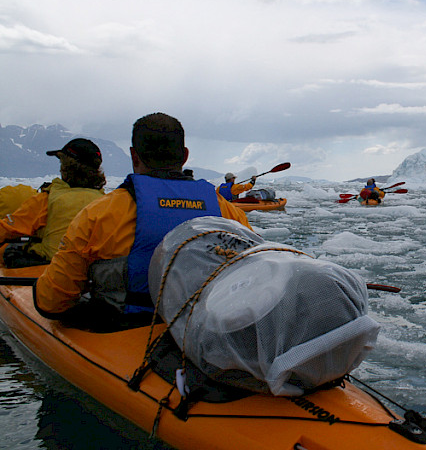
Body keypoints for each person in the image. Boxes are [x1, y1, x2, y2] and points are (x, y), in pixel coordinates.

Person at [34, 113, 252, 325]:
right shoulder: (229, 212)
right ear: (185, 156)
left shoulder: (98, 214)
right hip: (205, 328)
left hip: (124, 327)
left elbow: (51, 302)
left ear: (134, 156)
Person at [1, 138, 106, 268]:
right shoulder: (106, 202)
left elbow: (8, 229)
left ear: (66, 167)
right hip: (93, 271)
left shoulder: (46, 200)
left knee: (9, 250)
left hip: (49, 267)